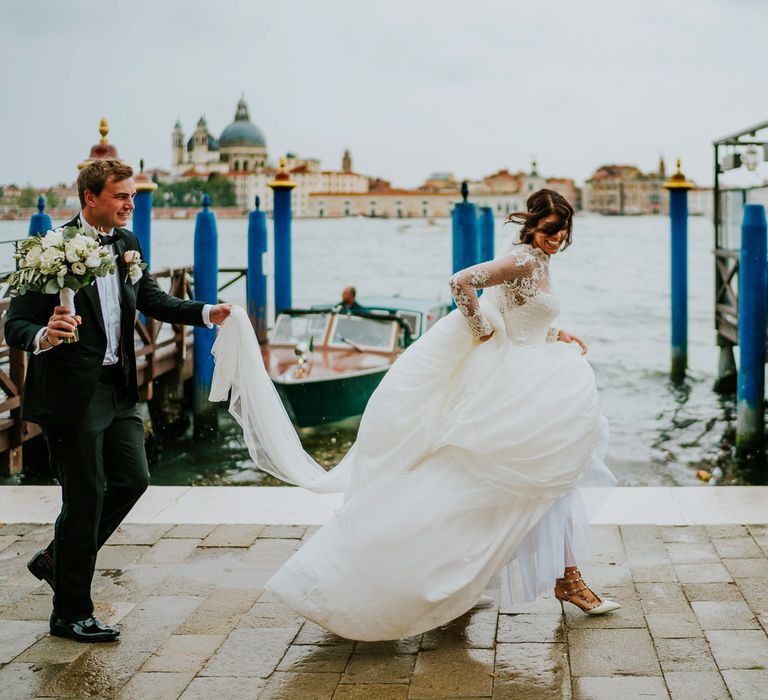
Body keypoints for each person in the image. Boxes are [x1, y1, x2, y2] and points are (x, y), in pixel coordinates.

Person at [210, 188, 618, 642]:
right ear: (532, 226)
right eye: (549, 231)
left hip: (530, 374)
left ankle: (553, 578)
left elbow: (518, 310)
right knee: (505, 480)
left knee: (548, 476)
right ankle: (556, 580)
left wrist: (556, 333)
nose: (557, 239)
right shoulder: (522, 259)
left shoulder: (537, 262)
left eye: (563, 232)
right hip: (512, 378)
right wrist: (481, 331)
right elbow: (461, 281)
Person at [6, 159, 231, 643]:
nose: (131, 203)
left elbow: (150, 298)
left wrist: (206, 311)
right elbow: (15, 323)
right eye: (121, 196)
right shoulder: (49, 248)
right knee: (83, 501)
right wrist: (45, 335)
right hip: (72, 395)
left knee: (133, 479)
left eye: (131, 196)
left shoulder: (128, 244)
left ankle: (55, 559)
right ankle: (70, 613)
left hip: (119, 388)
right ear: (90, 198)